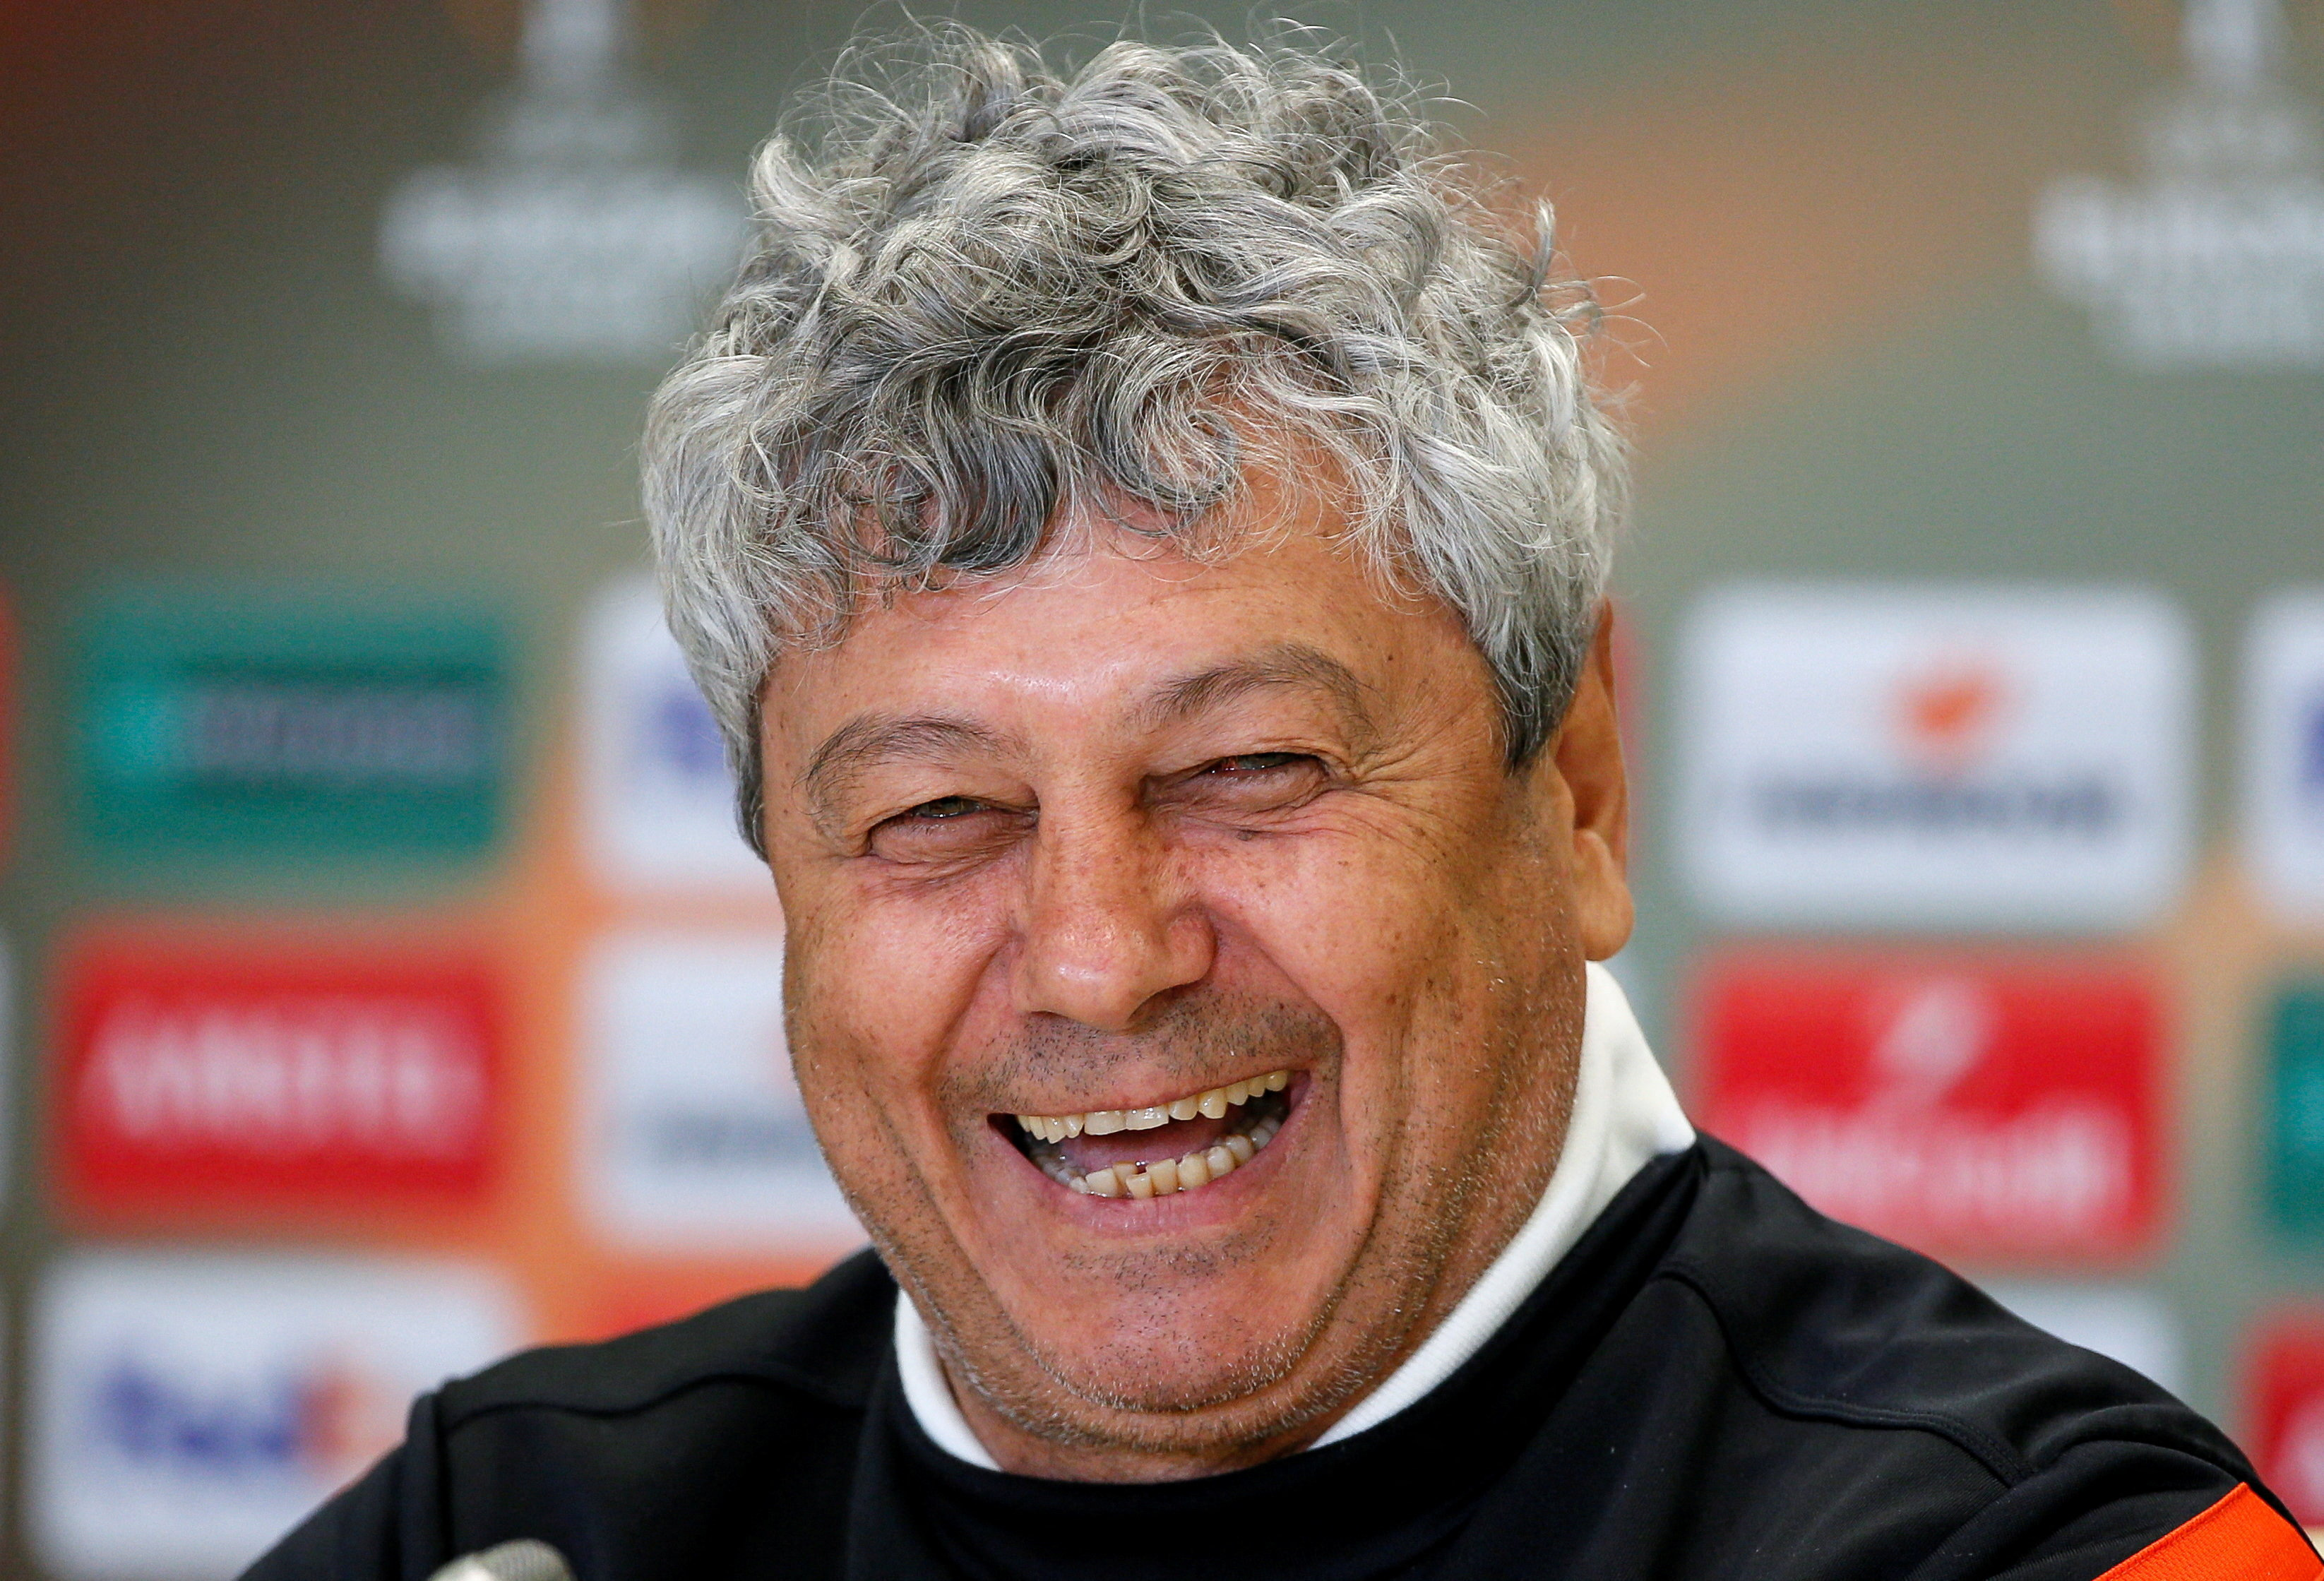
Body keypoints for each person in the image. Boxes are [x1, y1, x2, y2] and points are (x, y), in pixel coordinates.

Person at [249, 26, 2318, 1581]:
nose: (1098, 956)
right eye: (938, 813)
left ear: (1575, 789)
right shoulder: (503, 1537)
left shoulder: (2049, 1553)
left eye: (1248, 772)